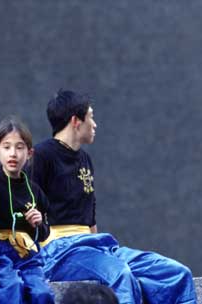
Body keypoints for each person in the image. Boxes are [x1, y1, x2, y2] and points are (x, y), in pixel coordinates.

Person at [29, 89, 197, 304]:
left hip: (94, 246)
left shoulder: (85, 159)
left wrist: (98, 245)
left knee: (176, 273)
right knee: (120, 275)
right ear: (75, 121)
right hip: (59, 251)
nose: (95, 124)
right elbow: (26, 208)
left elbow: (90, 218)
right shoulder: (42, 155)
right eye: (91, 116)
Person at [0, 116, 55, 304]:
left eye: (19, 147)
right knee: (12, 288)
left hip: (25, 253)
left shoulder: (34, 190)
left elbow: (43, 234)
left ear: (29, 153)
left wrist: (38, 224)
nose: (13, 153)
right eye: (7, 147)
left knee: (42, 293)